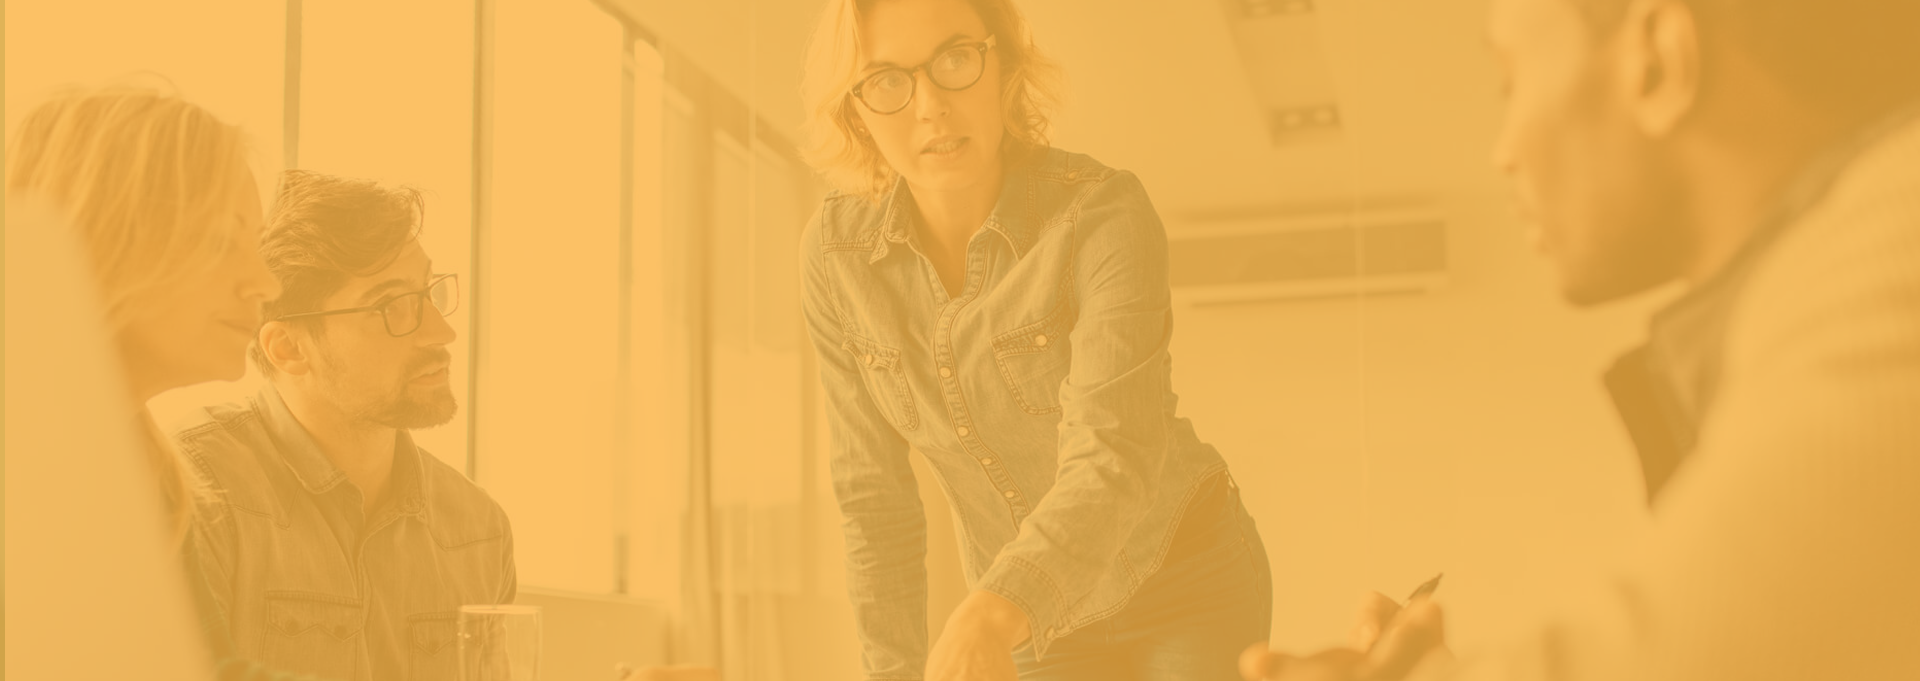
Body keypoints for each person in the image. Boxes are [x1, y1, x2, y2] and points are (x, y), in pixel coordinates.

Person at [1241, 0, 1920, 679]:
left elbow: (1675, 659)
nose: (1502, 153)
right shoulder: (1814, 295)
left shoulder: (1896, 250)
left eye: (1509, 81)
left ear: (1658, 63)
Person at [797, 0, 1271, 679]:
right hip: (1035, 624)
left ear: (1003, 64)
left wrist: (990, 612)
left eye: (954, 59)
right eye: (887, 80)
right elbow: (874, 501)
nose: (930, 106)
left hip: (1183, 576)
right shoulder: (834, 257)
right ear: (855, 110)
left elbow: (1112, 452)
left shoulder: (1102, 213)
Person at [6, 84, 332, 680]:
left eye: (255, 246)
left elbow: (203, 669)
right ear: (103, 233)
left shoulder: (143, 467)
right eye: (220, 240)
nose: (265, 284)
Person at [174, 170, 515, 681]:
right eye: (392, 305)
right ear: (288, 348)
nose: (441, 332)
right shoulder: (195, 491)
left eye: (429, 293)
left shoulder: (479, 529)